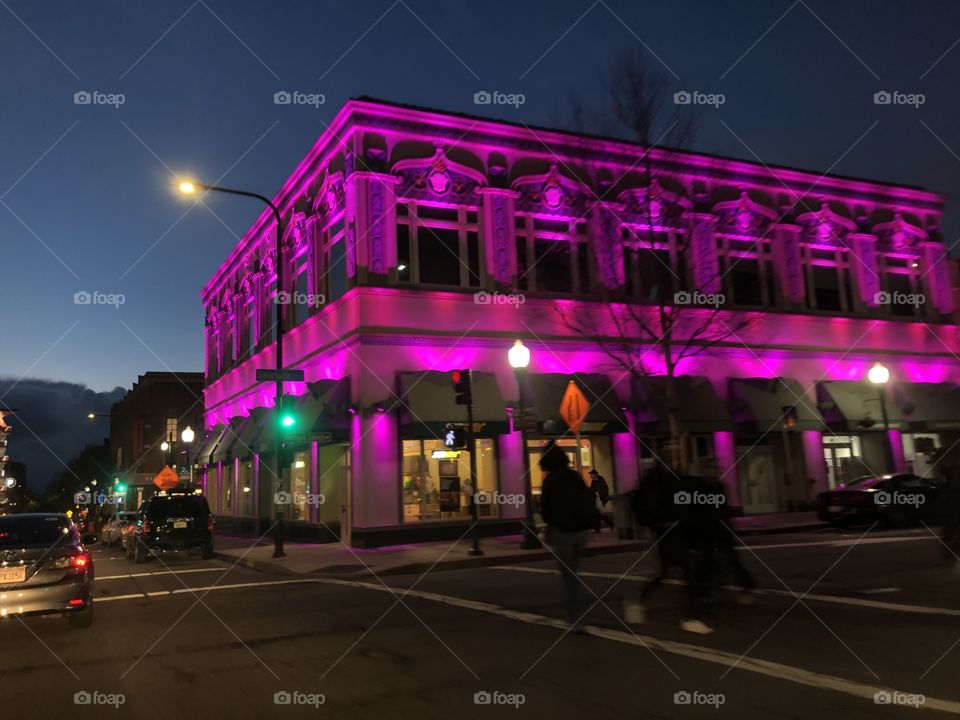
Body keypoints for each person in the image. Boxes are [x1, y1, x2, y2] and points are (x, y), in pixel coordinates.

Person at [539, 441, 599, 631]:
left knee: (569, 575)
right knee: (574, 572)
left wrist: (551, 524)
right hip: (581, 531)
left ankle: (575, 616)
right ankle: (577, 613)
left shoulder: (550, 480)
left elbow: (545, 509)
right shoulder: (574, 476)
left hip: (563, 532)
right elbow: (588, 499)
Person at [588, 468, 614, 533]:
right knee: (599, 514)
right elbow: (591, 490)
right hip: (596, 499)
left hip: (602, 499)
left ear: (595, 475)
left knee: (598, 514)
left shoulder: (601, 481)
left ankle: (598, 529)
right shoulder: (593, 482)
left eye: (591, 474)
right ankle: (609, 524)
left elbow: (605, 490)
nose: (590, 476)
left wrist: (600, 495)